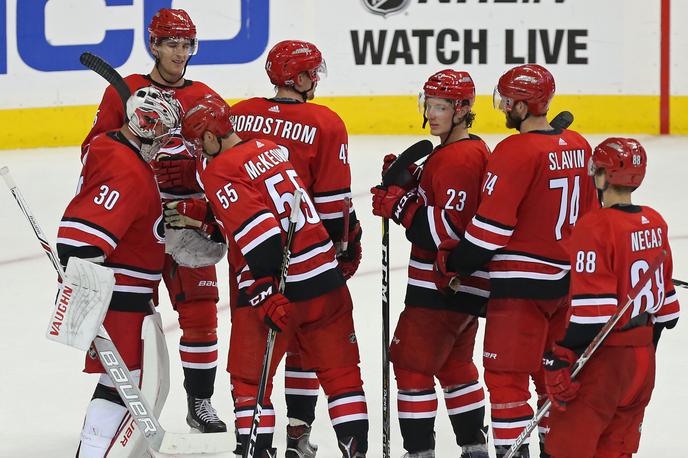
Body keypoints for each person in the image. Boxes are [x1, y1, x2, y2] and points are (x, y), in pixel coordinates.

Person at [182, 94, 369, 458]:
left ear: (209, 137)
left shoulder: (220, 169)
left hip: (283, 285)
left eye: (199, 144)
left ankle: (257, 451)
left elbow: (263, 232)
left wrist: (265, 291)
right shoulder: (269, 149)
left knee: (250, 381)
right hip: (326, 279)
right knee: (342, 376)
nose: (200, 154)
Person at [433, 64, 599, 457]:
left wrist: (455, 263)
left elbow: (492, 229)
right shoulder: (578, 144)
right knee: (550, 378)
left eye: (508, 102)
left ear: (523, 107)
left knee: (507, 380)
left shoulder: (514, 151)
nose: (503, 107)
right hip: (567, 285)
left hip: (521, 288)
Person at [81, 8, 227, 433]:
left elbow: (224, 157)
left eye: (186, 45)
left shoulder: (206, 96)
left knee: (201, 313)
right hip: (137, 223)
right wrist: (139, 159)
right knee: (133, 316)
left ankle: (200, 403)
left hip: (187, 221)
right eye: (172, 44)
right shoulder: (124, 94)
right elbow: (94, 153)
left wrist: (200, 185)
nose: (180, 53)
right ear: (154, 45)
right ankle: (117, 401)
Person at [230, 39, 362, 456]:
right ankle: (298, 434)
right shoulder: (325, 123)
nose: (315, 81)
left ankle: (261, 445)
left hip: (252, 267)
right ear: (300, 77)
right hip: (310, 260)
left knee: (255, 373)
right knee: (317, 349)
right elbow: (331, 205)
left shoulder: (240, 115)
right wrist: (346, 244)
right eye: (312, 73)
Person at [370, 70, 490, 458]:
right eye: (430, 105)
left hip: (440, 287)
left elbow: (446, 231)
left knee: (410, 365)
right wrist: (410, 182)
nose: (433, 113)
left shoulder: (459, 159)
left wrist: (398, 204)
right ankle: (474, 446)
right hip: (461, 288)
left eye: (442, 107)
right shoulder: (458, 152)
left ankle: (419, 452)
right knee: (455, 366)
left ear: (463, 110)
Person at [57, 87, 180, 456]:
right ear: (146, 124)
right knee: (124, 387)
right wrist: (86, 301)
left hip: (126, 300)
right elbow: (79, 241)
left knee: (129, 385)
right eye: (162, 133)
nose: (163, 144)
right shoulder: (126, 168)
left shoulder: (116, 151)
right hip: (120, 302)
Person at [542, 138, 680, 457]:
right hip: (644, 365)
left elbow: (593, 315)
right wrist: (641, 352)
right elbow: (669, 316)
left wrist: (561, 355)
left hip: (604, 366)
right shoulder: (655, 222)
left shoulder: (595, 226)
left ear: (603, 175)